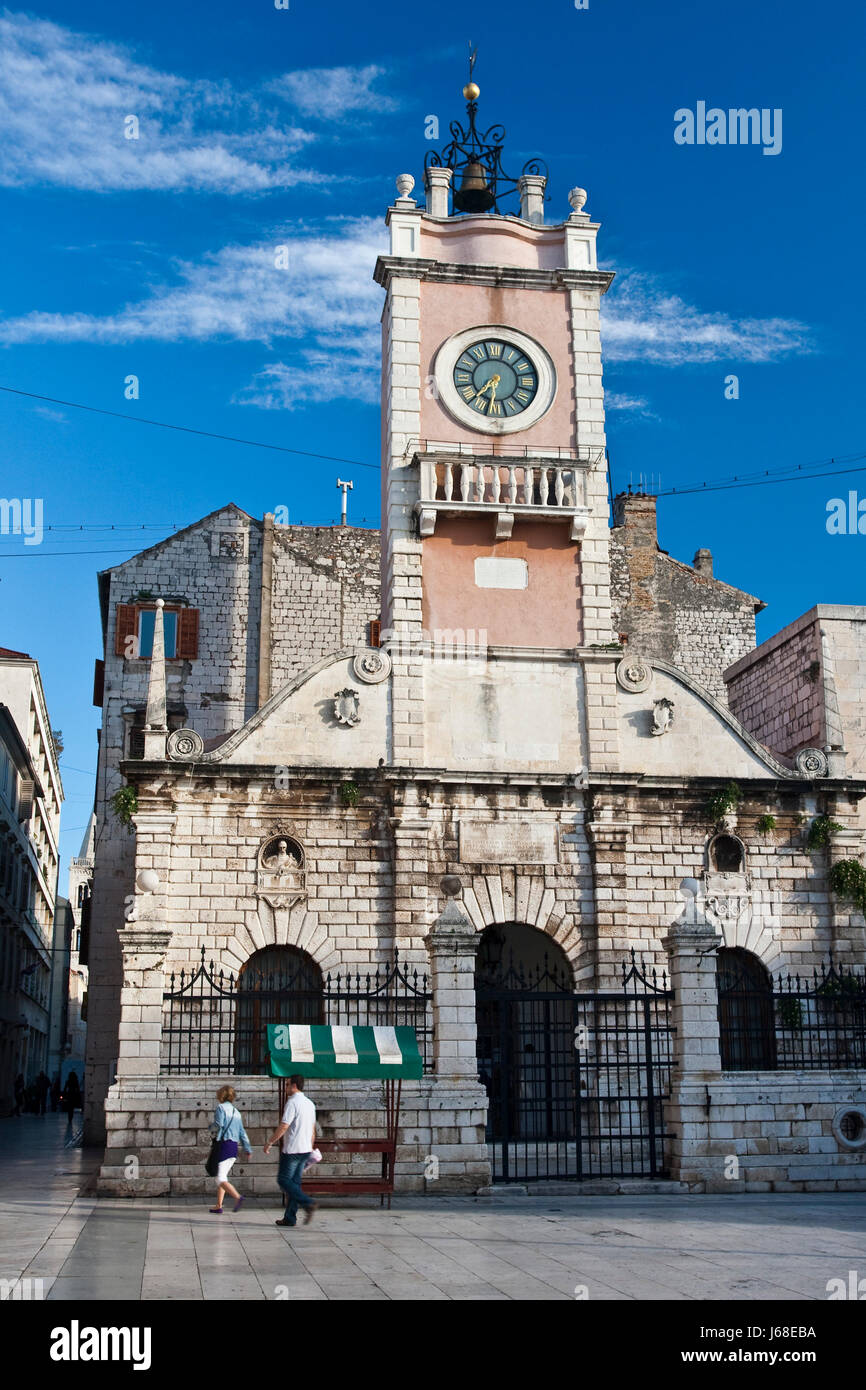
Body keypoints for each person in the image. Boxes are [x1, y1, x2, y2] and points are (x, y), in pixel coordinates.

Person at [264, 1074, 318, 1228]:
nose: (286, 1087)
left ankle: (308, 1203)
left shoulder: (292, 1103)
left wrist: (270, 1142)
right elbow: (313, 1129)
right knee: (294, 1183)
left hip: (293, 1149)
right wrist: (310, 1147)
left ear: (294, 1085)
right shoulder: (309, 1104)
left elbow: (284, 1125)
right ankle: (290, 1217)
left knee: (283, 1180)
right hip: (305, 1149)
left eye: (287, 1084)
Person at [208, 1085, 253, 1214]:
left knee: (219, 1178)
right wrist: (247, 1149)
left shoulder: (221, 1108)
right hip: (233, 1147)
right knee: (223, 1175)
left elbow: (218, 1125)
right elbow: (242, 1133)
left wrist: (210, 1127)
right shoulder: (236, 1112)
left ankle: (238, 1197)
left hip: (224, 1145)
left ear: (221, 1095)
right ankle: (218, 1205)